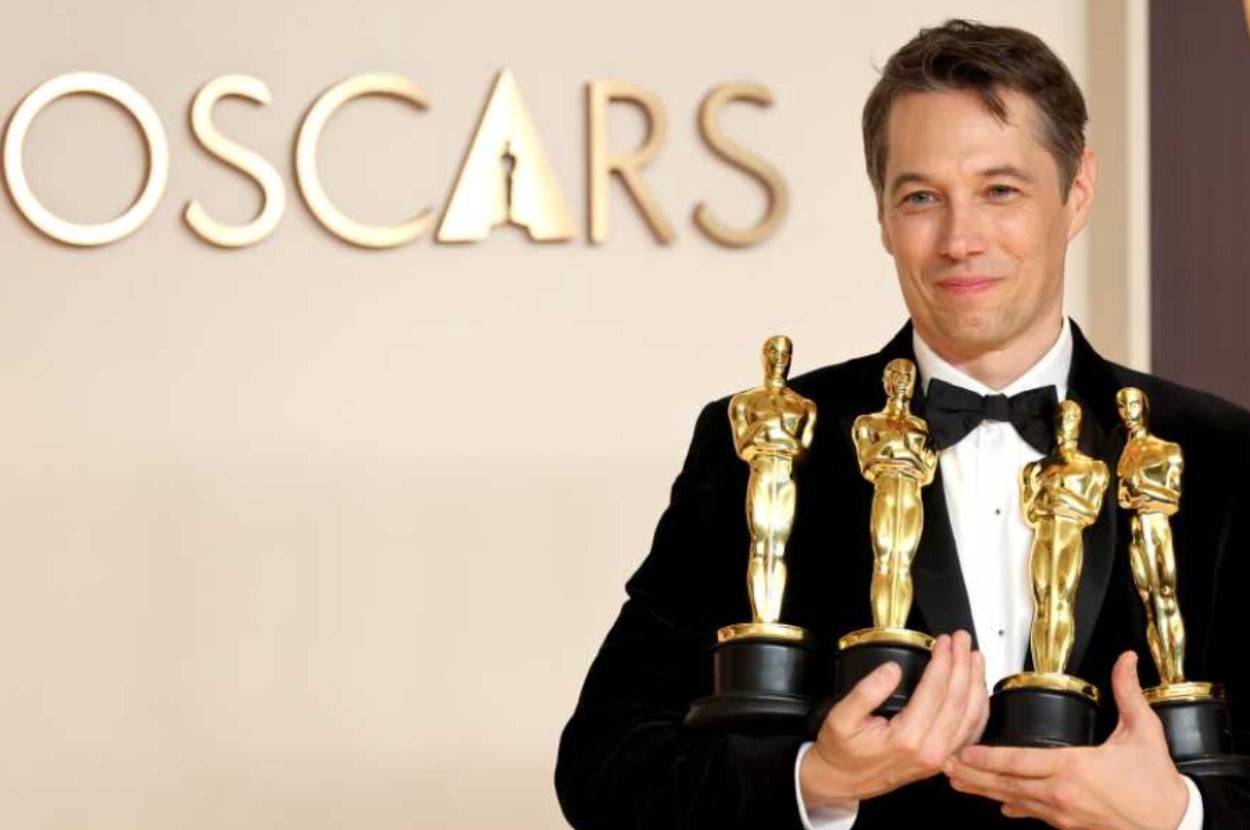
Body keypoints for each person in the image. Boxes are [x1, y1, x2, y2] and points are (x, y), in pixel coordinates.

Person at [555, 18, 1250, 830]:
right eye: (921, 197)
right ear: (883, 216)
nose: (960, 239)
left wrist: (1179, 814)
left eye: (1001, 190)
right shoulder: (766, 443)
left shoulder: (1222, 455)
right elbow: (604, 767)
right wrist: (817, 779)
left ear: (1079, 191)